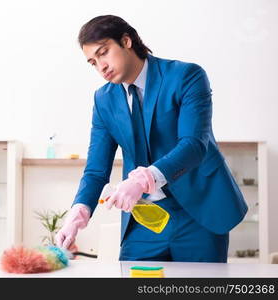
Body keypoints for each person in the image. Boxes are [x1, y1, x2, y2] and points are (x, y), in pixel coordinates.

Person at [55, 15, 247, 262]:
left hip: (199, 212)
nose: (101, 66)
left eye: (104, 53)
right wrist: (79, 211)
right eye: (92, 62)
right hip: (144, 218)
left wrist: (144, 179)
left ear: (126, 41)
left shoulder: (186, 76)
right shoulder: (103, 99)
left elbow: (194, 145)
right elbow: (96, 169)